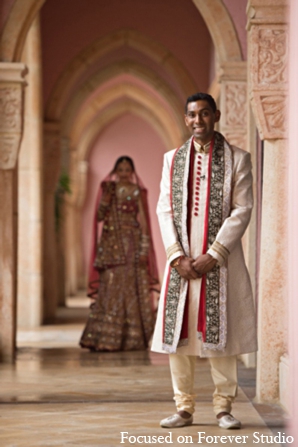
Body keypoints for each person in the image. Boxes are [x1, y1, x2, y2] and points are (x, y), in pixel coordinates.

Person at [151, 93, 257, 429]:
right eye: (193, 115)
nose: (199, 120)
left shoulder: (239, 159)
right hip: (181, 263)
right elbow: (164, 208)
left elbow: (243, 209)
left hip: (219, 262)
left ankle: (224, 407)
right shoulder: (172, 160)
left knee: (221, 335)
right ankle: (183, 407)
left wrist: (214, 254)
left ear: (217, 116)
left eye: (205, 114)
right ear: (186, 120)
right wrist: (176, 256)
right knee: (179, 336)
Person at [80, 156, 159, 352]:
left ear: (132, 172)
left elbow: (144, 223)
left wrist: (143, 249)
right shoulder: (108, 190)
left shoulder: (138, 192)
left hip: (131, 243)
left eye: (127, 169)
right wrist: (105, 200)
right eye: (121, 169)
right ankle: (105, 337)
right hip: (111, 246)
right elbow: (99, 217)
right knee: (111, 287)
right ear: (115, 171)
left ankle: (132, 338)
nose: (124, 173)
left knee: (130, 288)